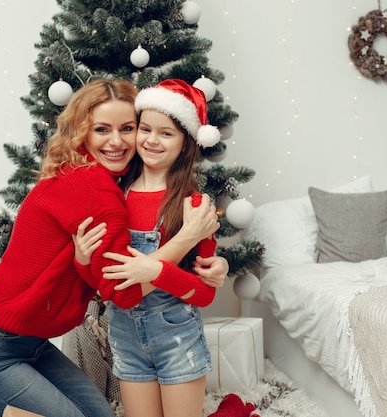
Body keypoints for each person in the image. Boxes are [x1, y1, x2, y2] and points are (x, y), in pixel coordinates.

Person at [0, 78, 226, 417]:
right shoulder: (97, 192)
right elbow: (123, 292)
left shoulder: (108, 178)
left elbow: (111, 275)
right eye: (102, 129)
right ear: (81, 132)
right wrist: (186, 239)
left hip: (32, 343)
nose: (117, 141)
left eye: (127, 128)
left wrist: (216, 263)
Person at [76, 79, 257, 417]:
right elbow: (105, 281)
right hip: (126, 340)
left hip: (178, 341)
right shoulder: (115, 195)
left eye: (166, 133)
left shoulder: (195, 206)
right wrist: (81, 257)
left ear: (186, 143)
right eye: (145, 129)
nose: (151, 140)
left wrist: (157, 271)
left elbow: (203, 295)